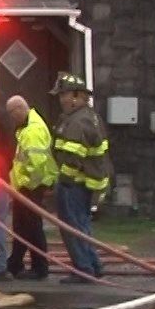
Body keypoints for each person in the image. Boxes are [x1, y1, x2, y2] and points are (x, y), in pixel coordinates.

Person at [50, 72, 110, 281]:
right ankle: (93, 264)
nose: (60, 100)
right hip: (85, 183)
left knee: (72, 227)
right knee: (82, 226)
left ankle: (83, 269)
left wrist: (63, 181)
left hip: (74, 185)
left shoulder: (77, 122)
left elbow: (73, 157)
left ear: (76, 96)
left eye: (63, 95)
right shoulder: (88, 116)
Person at [2, 95, 58, 281]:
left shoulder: (32, 131)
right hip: (25, 187)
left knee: (33, 227)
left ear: (19, 109)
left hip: (31, 187)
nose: (11, 118)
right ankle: (15, 263)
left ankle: (39, 267)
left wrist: (28, 185)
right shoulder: (27, 127)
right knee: (21, 226)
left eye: (12, 113)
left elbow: (36, 163)